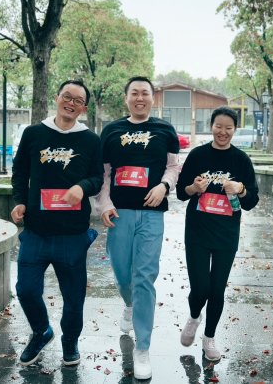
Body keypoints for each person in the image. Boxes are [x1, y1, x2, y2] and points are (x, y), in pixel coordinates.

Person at [11, 79, 103, 367]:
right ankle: (41, 331)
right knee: (26, 290)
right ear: (57, 97)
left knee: (74, 299)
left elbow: (98, 178)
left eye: (78, 101)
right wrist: (19, 201)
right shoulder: (33, 133)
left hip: (72, 235)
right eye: (67, 96)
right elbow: (19, 171)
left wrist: (82, 187)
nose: (71, 103)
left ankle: (70, 341)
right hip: (36, 231)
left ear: (83, 108)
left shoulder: (90, 140)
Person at [96, 76, 181, 380]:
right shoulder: (112, 131)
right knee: (123, 274)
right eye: (135, 93)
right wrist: (105, 204)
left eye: (145, 93)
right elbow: (104, 174)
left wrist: (164, 186)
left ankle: (142, 347)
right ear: (127, 98)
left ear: (152, 98)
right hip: (120, 214)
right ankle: (129, 304)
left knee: (144, 276)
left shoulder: (164, 130)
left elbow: (173, 166)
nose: (140, 98)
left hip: (151, 214)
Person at [176, 106, 259, 361]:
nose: (223, 132)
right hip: (198, 231)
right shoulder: (198, 155)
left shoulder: (241, 160)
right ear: (211, 126)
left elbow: (252, 201)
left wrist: (241, 189)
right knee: (200, 288)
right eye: (218, 126)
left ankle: (209, 337)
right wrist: (194, 188)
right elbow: (180, 192)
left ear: (235, 129)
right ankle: (194, 317)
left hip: (226, 233)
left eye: (228, 128)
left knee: (217, 290)